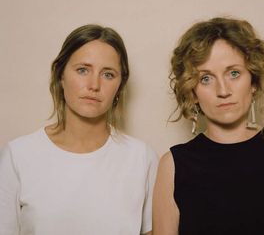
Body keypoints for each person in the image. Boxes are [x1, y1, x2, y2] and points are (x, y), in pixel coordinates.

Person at [153, 17, 264, 235]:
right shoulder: (173, 165)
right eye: (206, 78)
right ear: (192, 92)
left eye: (234, 73)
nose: (223, 90)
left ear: (254, 81)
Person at [0, 24, 158, 235]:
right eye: (83, 70)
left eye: (108, 74)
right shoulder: (18, 155)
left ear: (120, 86)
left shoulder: (141, 158)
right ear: (60, 75)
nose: (94, 85)